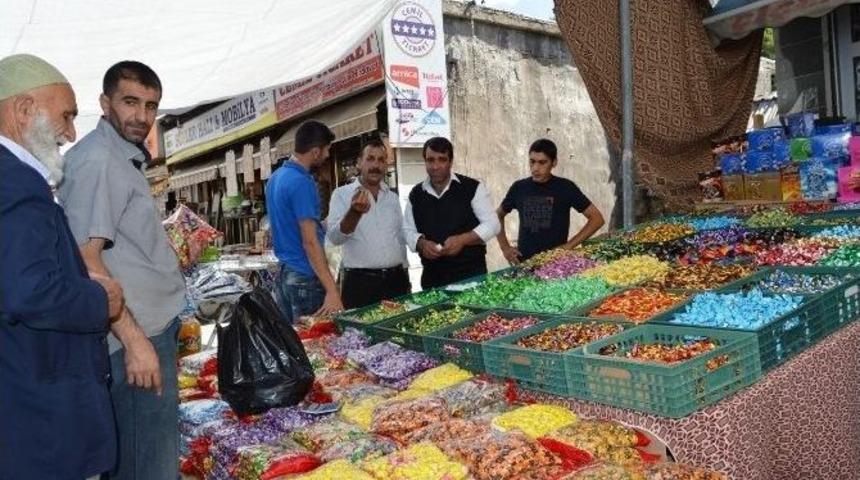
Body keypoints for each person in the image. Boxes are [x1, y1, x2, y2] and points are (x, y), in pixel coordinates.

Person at [59, 61, 186, 480]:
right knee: (148, 467)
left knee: (146, 459)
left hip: (147, 330)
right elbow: (86, 259)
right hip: (134, 338)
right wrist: (134, 342)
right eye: (130, 102)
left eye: (151, 106)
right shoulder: (99, 160)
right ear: (104, 103)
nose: (142, 117)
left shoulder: (120, 158)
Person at [0, 53, 124, 479]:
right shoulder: (15, 182)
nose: (71, 133)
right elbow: (29, 292)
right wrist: (97, 297)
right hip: (44, 425)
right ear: (22, 110)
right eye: (66, 116)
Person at [266, 120, 344, 322]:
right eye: (327, 150)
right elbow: (309, 241)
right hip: (304, 277)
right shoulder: (301, 182)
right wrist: (332, 290)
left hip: (285, 275)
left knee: (296, 344)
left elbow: (287, 224)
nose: (328, 155)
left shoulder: (276, 178)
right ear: (316, 151)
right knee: (315, 344)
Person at [403, 136, 500, 289]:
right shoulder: (416, 194)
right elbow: (407, 230)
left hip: (471, 280)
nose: (435, 166)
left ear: (451, 162)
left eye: (442, 160)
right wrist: (421, 243)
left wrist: (463, 240)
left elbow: (493, 224)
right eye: (430, 160)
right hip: (433, 281)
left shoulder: (472, 188)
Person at [327, 138, 410, 308]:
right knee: (361, 334)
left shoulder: (392, 198)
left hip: (396, 281)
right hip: (360, 284)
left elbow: (399, 238)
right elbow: (335, 238)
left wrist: (405, 273)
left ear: (386, 165)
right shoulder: (341, 195)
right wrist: (354, 212)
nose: (376, 165)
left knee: (399, 331)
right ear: (359, 163)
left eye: (381, 160)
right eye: (370, 159)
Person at [496, 138, 605, 264]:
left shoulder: (565, 187)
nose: (535, 168)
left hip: (556, 265)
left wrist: (568, 246)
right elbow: (498, 215)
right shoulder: (519, 188)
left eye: (542, 162)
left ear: (554, 163)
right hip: (523, 265)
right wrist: (505, 248)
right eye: (532, 162)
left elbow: (597, 219)